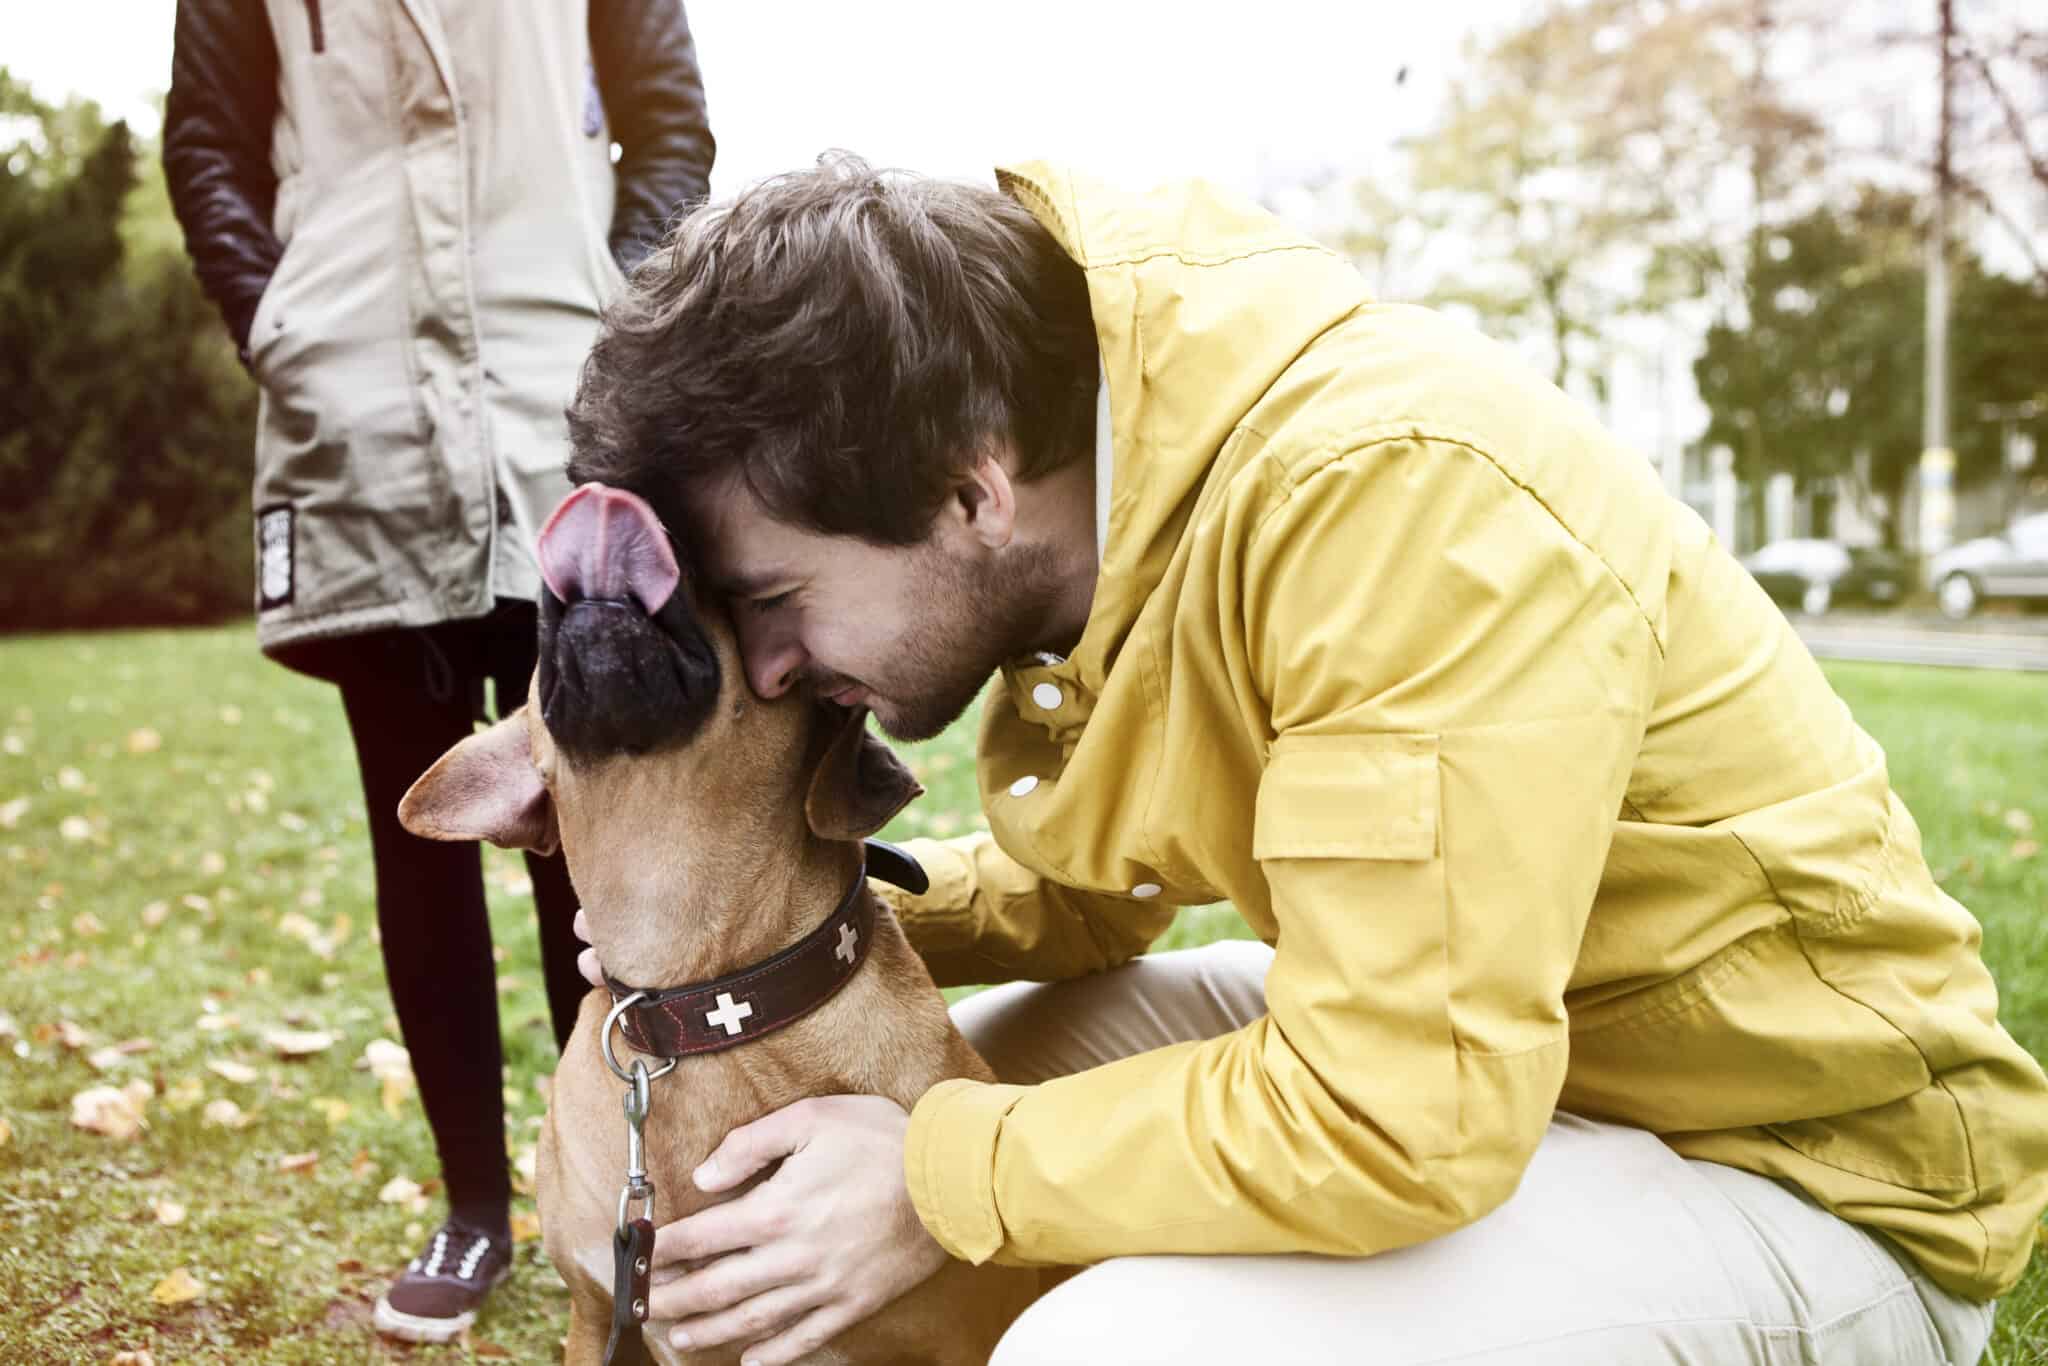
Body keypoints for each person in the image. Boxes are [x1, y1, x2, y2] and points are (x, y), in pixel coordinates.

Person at [563, 155, 2048, 1365]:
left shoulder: (1395, 504)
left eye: (777, 598)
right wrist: (764, 930)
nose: (769, 671)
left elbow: (1397, 1111)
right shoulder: (1132, 501)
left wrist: (939, 1180)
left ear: (969, 491)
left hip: (1794, 1171)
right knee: (908, 1092)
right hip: (1506, 1052)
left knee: (1098, 1342)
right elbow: (1090, 888)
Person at [162, 0, 713, 1343]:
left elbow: (670, 126)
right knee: (416, 832)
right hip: (359, 409)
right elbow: (207, 144)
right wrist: (279, 320)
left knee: (585, 832)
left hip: (556, 396)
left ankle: (620, 1188)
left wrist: (618, 307)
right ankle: (474, 1207)